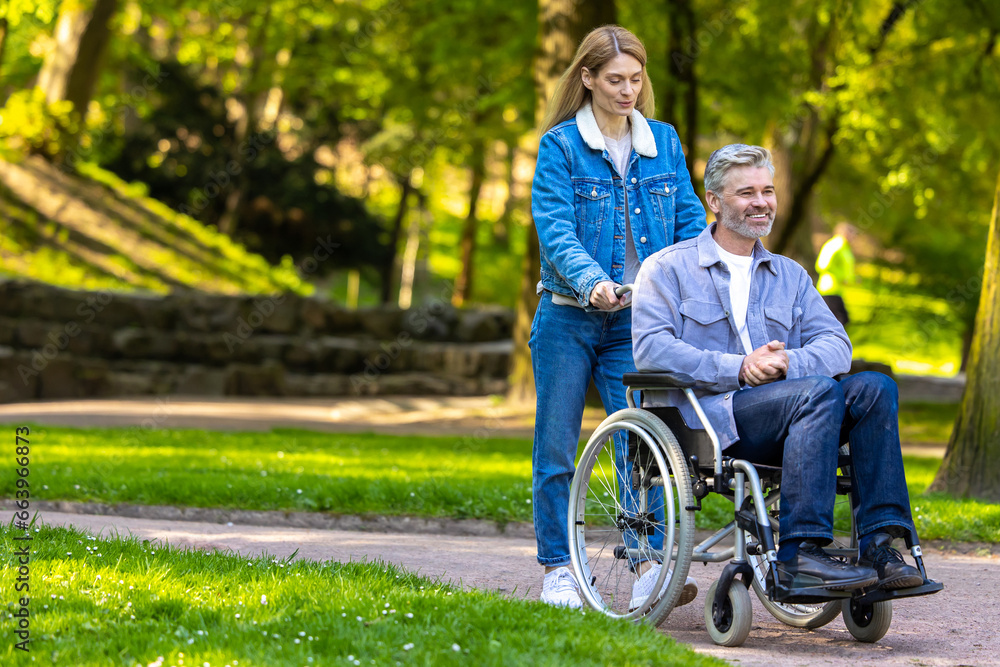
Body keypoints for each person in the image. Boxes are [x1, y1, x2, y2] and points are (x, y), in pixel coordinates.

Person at [631, 144, 924, 593]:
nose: (761, 202)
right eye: (746, 192)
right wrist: (740, 367)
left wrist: (787, 361)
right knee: (818, 392)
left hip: (797, 408)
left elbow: (837, 345)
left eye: (768, 191)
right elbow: (652, 350)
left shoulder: (789, 274)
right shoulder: (667, 269)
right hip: (714, 418)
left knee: (874, 387)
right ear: (714, 200)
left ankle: (881, 546)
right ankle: (799, 553)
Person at [530, 25, 706, 609]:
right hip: (568, 316)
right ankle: (558, 568)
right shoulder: (560, 146)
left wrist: (683, 292)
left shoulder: (664, 142)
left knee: (643, 445)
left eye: (635, 78)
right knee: (557, 447)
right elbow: (555, 229)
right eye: (614, 80)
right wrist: (593, 282)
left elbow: (688, 223)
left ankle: (649, 563)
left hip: (635, 322)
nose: (628, 90)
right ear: (586, 78)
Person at [815, 222, 858, 326]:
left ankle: (833, 341)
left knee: (841, 320)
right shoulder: (835, 245)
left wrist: (852, 278)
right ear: (845, 233)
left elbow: (845, 267)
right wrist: (842, 278)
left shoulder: (845, 247)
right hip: (829, 288)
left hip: (837, 290)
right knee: (838, 320)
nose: (854, 238)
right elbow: (822, 265)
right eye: (853, 234)